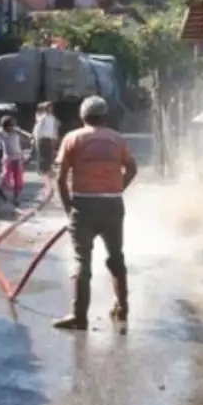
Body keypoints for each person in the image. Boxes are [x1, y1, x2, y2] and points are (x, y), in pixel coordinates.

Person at [53, 96, 138, 331]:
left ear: (83, 116)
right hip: (112, 205)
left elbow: (60, 178)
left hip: (83, 205)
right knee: (116, 257)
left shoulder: (72, 139)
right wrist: (118, 187)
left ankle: (79, 316)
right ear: (104, 116)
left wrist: (69, 207)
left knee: (82, 261)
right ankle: (122, 307)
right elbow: (132, 168)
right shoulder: (117, 139)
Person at [0, 115, 34, 207]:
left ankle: (16, 198)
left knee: (18, 178)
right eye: (8, 126)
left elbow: (28, 135)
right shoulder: (2, 133)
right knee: (6, 175)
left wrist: (24, 134)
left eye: (12, 126)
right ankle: (1, 189)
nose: (10, 128)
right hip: (8, 158)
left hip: (17, 157)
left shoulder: (16, 131)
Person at [32, 102, 59, 175]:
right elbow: (37, 129)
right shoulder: (42, 118)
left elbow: (54, 128)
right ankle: (41, 169)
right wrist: (36, 138)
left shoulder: (52, 117)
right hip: (42, 138)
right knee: (42, 155)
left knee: (49, 154)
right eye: (49, 107)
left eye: (51, 107)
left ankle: (48, 168)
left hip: (50, 138)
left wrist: (55, 137)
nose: (51, 109)